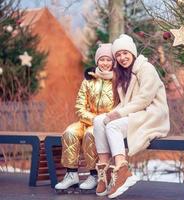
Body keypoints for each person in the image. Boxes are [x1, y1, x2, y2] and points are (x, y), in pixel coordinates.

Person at [93, 34, 170, 198]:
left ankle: (122, 170)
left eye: (125, 53)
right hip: (135, 113)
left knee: (113, 125)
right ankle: (105, 170)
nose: (122, 57)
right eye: (118, 55)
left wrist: (118, 114)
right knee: (99, 121)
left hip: (151, 114)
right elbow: (126, 102)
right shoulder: (123, 74)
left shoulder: (146, 68)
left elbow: (144, 99)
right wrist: (111, 113)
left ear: (133, 53)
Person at [55, 43, 115, 192]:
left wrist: (100, 120)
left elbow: (117, 107)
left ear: (113, 62)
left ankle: (94, 175)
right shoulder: (89, 80)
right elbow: (79, 106)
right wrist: (92, 118)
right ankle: (71, 174)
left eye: (108, 60)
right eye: (102, 60)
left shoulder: (116, 81)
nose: (105, 63)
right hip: (86, 120)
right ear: (97, 61)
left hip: (105, 122)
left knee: (90, 134)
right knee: (69, 132)